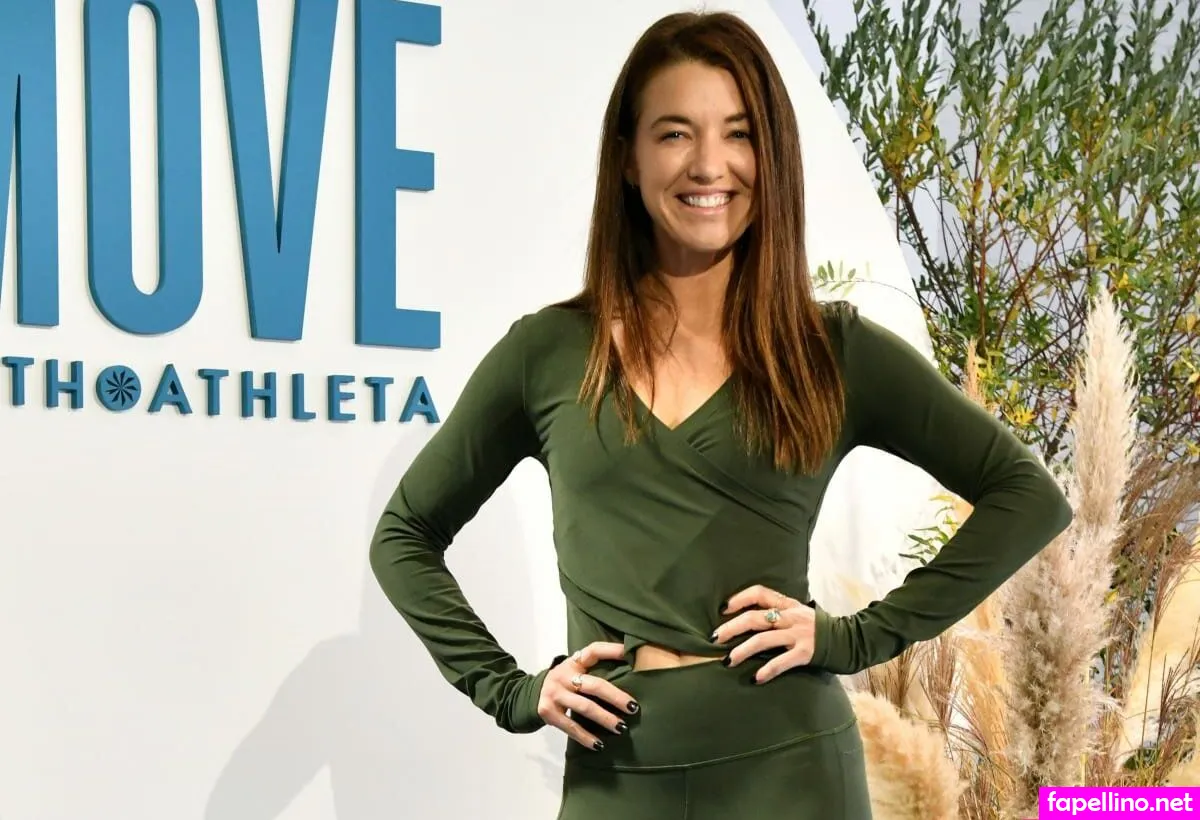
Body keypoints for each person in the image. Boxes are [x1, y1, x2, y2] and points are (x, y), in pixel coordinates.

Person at [369, 10, 1073, 819]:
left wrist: (853, 637)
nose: (710, 164)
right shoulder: (549, 353)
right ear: (628, 158)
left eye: (739, 134)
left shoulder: (830, 350)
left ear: (771, 157)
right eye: (675, 133)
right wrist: (511, 691)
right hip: (616, 774)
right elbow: (405, 535)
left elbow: (1026, 495)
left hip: (792, 770)